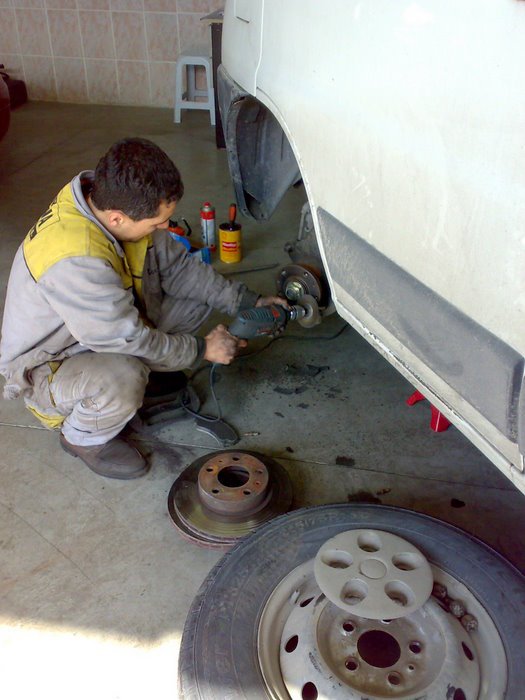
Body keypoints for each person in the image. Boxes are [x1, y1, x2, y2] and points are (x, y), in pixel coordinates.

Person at [0, 137, 286, 480]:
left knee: (195, 301)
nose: (165, 227)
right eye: (156, 223)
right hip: (48, 366)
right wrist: (202, 349)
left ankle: (144, 378)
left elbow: (183, 270)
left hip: (97, 330)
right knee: (125, 375)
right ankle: (82, 437)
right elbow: (127, 340)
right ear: (118, 218)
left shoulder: (116, 203)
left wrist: (248, 301)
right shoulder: (74, 258)